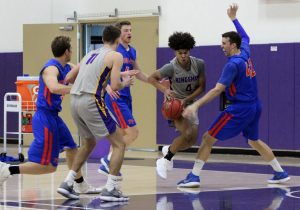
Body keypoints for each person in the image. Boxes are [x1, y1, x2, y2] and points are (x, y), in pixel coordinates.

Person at [177, 4, 290, 188]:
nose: (221, 46)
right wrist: (234, 19)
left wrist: (196, 105)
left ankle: (194, 176)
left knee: (207, 138)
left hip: (239, 109)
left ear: (233, 45)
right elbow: (246, 36)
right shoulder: (245, 52)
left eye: (224, 43)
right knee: (254, 140)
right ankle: (280, 172)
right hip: (255, 106)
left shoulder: (232, 65)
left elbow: (217, 90)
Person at [0, 36, 100, 194]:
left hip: (54, 117)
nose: (72, 52)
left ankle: (80, 184)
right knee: (48, 166)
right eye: (71, 49)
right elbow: (53, 87)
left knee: (72, 149)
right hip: (45, 118)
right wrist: (77, 90)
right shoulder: (51, 68)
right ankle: (7, 169)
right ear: (67, 51)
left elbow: (85, 69)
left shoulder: (67, 66)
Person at [57, 25, 133, 202]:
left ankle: (68, 182)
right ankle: (111, 188)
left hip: (75, 100)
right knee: (119, 143)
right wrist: (126, 82)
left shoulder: (89, 54)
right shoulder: (117, 55)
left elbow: (68, 78)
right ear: (118, 40)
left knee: (88, 143)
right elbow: (115, 86)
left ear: (103, 39)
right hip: (91, 100)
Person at [148, 32, 206, 179]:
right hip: (176, 105)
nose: (183, 56)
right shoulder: (171, 67)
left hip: (190, 103)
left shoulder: (199, 64)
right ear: (175, 52)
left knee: (191, 141)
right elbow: (151, 78)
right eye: (180, 53)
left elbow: (202, 88)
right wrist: (165, 90)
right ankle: (164, 160)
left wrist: (188, 99)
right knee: (186, 134)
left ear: (189, 51)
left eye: (185, 52)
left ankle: (169, 149)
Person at [98, 20, 149, 176]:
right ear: (118, 33)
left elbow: (138, 72)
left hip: (126, 97)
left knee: (119, 135)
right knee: (133, 133)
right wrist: (106, 87)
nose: (129, 33)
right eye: (126, 30)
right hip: (115, 97)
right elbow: (100, 72)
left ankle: (109, 167)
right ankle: (109, 160)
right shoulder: (113, 51)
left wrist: (155, 81)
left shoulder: (132, 51)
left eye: (131, 30)